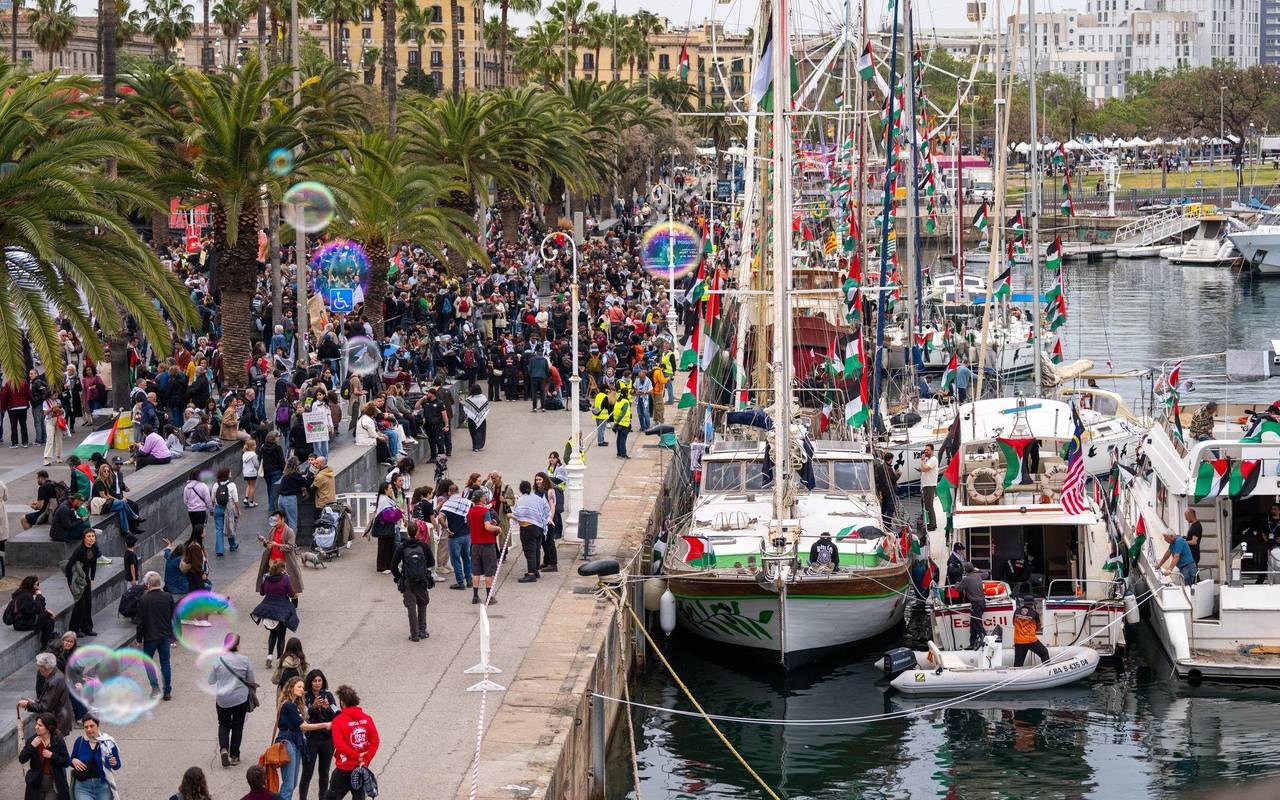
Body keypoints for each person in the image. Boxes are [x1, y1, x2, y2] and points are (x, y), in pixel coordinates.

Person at [276, 676, 331, 800]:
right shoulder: (288, 705)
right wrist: (325, 724)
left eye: (302, 687)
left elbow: (305, 721)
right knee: (288, 785)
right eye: (299, 687)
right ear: (291, 688)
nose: (302, 689)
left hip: (296, 744)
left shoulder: (295, 705)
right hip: (288, 744)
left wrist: (324, 707)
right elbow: (303, 726)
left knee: (292, 783)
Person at [209, 634, 256, 768]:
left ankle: (224, 748)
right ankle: (235, 756)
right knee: (237, 725)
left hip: (223, 699)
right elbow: (251, 680)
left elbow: (211, 680)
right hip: (240, 699)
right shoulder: (245, 660)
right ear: (237, 646)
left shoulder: (218, 660)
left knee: (223, 724)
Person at [324, 685, 379, 800]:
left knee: (332, 797)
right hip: (361, 768)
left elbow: (339, 745)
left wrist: (357, 755)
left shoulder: (338, 721)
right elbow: (375, 741)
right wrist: (365, 760)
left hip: (344, 768)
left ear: (342, 702)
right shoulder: (367, 718)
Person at [136, 571, 176, 700]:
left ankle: (155, 688)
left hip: (150, 636)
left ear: (148, 584)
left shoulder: (144, 599)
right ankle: (167, 691)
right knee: (165, 663)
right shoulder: (168, 596)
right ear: (160, 583)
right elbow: (173, 615)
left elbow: (140, 622)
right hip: (164, 635)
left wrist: (139, 639)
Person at [390, 521, 433, 640]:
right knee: (422, 604)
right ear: (418, 532)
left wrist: (399, 577)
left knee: (411, 607)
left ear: (407, 532)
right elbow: (431, 562)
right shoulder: (423, 546)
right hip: (422, 580)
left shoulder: (402, 547)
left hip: (408, 580)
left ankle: (414, 634)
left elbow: (393, 565)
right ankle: (422, 630)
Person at [300, 670, 338, 800]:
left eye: (319, 680)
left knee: (324, 773)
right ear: (310, 683)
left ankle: (322, 798)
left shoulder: (328, 695)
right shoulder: (305, 697)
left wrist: (328, 708)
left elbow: (337, 715)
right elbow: (303, 717)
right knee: (307, 773)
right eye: (314, 681)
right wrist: (313, 707)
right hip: (311, 739)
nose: (317, 683)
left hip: (327, 740)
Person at [254, 560, 300, 668]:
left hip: (268, 610)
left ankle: (269, 656)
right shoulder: (285, 578)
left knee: (273, 633)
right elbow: (291, 593)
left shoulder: (266, 578)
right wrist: (295, 595)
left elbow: (262, 593)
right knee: (281, 636)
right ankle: (279, 660)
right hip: (281, 610)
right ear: (282, 569)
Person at [20, 652, 75, 738]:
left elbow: (45, 707)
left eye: (39, 667)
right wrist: (35, 702)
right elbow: (49, 700)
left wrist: (28, 705)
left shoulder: (55, 681)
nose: (39, 670)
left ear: (45, 668)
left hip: (57, 721)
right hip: (59, 718)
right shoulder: (55, 675)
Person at [69, 714, 121, 800]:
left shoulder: (108, 742)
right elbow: (71, 760)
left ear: (98, 725)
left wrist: (115, 763)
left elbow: (117, 765)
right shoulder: (80, 741)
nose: (89, 729)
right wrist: (73, 760)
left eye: (92, 726)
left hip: (103, 787)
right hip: (82, 787)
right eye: (86, 727)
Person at [19, 712, 70, 800]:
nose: (36, 727)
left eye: (40, 725)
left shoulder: (58, 741)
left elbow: (66, 762)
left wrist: (52, 756)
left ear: (48, 728)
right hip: (35, 783)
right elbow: (22, 759)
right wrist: (31, 746)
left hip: (53, 784)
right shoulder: (32, 740)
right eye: (36, 724)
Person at [258, 509, 305, 604]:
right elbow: (269, 544)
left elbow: (291, 547)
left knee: (291, 583)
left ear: (283, 519)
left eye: (277, 520)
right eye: (273, 520)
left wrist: (277, 545)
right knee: (275, 582)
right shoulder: (272, 530)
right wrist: (264, 542)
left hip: (285, 562)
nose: (274, 522)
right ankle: (279, 600)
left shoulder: (289, 531)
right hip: (273, 561)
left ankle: (294, 602)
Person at [436, 481, 474, 593]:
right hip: (466, 534)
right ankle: (469, 580)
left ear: (449, 492)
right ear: (458, 491)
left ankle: (460, 582)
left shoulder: (447, 504)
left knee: (456, 559)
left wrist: (446, 528)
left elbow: (440, 517)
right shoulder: (467, 502)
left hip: (455, 535)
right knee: (466, 558)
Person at [467, 488, 501, 605]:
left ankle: (475, 596)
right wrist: (497, 528)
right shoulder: (485, 511)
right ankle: (489, 597)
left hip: (475, 544)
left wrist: (491, 524)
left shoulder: (470, 512)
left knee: (476, 572)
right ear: (481, 498)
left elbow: (474, 525)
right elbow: (487, 527)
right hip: (487, 544)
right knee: (488, 572)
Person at [512, 480, 550, 583]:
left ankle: (531, 574)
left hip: (527, 528)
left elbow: (518, 514)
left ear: (521, 489)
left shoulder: (521, 500)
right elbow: (546, 509)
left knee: (529, 551)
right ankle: (535, 570)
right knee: (536, 549)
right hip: (539, 527)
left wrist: (510, 515)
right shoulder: (538, 498)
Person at [64, 529, 98, 637]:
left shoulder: (95, 548)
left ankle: (87, 628)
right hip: (75, 579)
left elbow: (94, 564)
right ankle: (74, 629)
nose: (91, 538)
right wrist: (71, 583)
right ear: (84, 538)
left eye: (93, 536)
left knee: (88, 603)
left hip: (85, 578)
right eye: (89, 536)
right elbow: (69, 566)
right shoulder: (79, 550)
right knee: (80, 604)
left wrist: (92, 579)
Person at [8, 575, 56, 646]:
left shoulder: (22, 593)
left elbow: (33, 608)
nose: (38, 587)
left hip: (21, 622)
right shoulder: (25, 596)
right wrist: (39, 596)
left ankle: (46, 641)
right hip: (22, 624)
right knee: (49, 619)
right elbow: (38, 609)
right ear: (31, 585)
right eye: (37, 584)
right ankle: (45, 645)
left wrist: (46, 611)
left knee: (47, 621)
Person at [532, 472, 559, 574]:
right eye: (536, 480)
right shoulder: (537, 491)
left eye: (540, 479)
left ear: (544, 480)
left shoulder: (550, 491)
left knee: (550, 541)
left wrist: (550, 519)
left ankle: (553, 564)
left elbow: (552, 506)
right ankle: (547, 561)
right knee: (543, 541)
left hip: (549, 520)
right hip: (541, 519)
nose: (538, 482)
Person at [213, 466, 241, 557]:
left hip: (218, 508)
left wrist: (213, 508)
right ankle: (232, 545)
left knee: (219, 529)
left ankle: (219, 550)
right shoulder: (232, 485)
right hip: (228, 509)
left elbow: (212, 499)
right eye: (229, 472)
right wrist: (238, 510)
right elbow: (236, 499)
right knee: (230, 526)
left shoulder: (215, 485)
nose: (230, 473)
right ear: (227, 474)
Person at [959, 562, 989, 649]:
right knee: (973, 624)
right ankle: (972, 643)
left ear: (965, 570)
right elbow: (986, 573)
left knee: (977, 624)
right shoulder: (978, 575)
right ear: (973, 569)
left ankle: (987, 642)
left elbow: (958, 589)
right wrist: (978, 569)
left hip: (976, 604)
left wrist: (957, 583)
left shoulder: (966, 579)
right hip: (982, 603)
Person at [1012, 599, 1051, 667]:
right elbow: (1038, 626)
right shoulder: (1034, 613)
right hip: (1030, 640)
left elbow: (1014, 623)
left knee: (1018, 663)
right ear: (1032, 604)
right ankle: (1048, 669)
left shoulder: (1016, 611)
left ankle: (1015, 673)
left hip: (1018, 641)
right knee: (1044, 652)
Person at [261, 431, 286, 513]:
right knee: (274, 490)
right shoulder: (277, 448)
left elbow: (260, 458)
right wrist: (284, 470)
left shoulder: (263, 447)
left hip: (266, 471)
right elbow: (281, 461)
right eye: (277, 436)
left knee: (269, 489)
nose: (279, 438)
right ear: (274, 438)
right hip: (276, 471)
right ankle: (272, 508)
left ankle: (271, 505)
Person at [183, 470, 214, 535]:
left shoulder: (187, 487)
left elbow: (185, 501)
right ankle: (199, 540)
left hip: (191, 512)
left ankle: (194, 540)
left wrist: (191, 506)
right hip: (201, 511)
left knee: (194, 528)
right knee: (201, 530)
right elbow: (208, 500)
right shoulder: (203, 486)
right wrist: (211, 510)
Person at [462, 383, 489, 451]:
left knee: (473, 432)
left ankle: (475, 446)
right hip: (482, 418)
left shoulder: (469, 399)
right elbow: (486, 407)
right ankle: (479, 445)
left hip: (471, 418)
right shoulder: (483, 397)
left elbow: (466, 408)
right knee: (481, 431)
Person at [919, 444, 938, 530]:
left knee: (929, 505)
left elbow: (925, 469)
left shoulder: (933, 459)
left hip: (930, 485)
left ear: (932, 451)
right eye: (925, 450)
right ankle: (931, 523)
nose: (926, 451)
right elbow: (923, 468)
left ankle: (933, 524)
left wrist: (922, 460)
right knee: (927, 505)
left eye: (928, 450)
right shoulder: (928, 460)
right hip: (926, 484)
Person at [612, 382, 633, 459]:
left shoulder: (618, 401)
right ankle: (623, 454)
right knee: (623, 439)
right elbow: (623, 413)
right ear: (626, 394)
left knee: (619, 438)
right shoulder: (626, 402)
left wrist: (616, 422)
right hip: (624, 423)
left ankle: (619, 453)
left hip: (618, 423)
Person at [243, 439, 261, 508]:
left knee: (249, 485)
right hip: (252, 472)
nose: (256, 446)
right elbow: (256, 464)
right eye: (255, 445)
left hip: (245, 472)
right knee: (252, 486)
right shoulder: (253, 454)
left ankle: (246, 498)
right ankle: (251, 502)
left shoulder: (244, 454)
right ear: (252, 446)